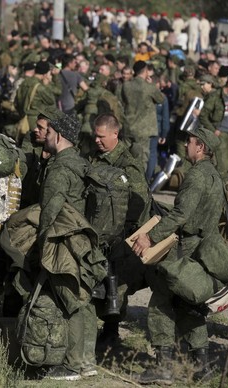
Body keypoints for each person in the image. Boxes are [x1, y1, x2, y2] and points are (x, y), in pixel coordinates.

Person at [131, 126, 224, 385]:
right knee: (189, 306)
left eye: (190, 142)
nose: (186, 145)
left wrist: (150, 236)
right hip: (201, 247)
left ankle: (163, 368)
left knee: (161, 302)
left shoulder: (196, 176)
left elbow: (180, 215)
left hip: (184, 248)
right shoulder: (215, 175)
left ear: (201, 147)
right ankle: (202, 366)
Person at [37, 110, 100, 380]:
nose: (46, 136)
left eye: (48, 132)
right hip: (84, 241)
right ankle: (87, 361)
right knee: (84, 301)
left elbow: (49, 211)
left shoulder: (61, 168)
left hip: (64, 241)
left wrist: (40, 242)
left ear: (59, 135)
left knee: (70, 301)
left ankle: (72, 366)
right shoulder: (80, 161)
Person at [88, 114, 152, 348]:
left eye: (101, 136)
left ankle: (111, 330)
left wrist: (121, 230)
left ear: (115, 134)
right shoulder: (94, 157)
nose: (96, 140)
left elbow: (139, 200)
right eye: (95, 136)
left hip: (119, 234)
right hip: (96, 229)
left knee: (116, 284)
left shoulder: (127, 164)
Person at [120, 60, 165, 168]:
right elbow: (161, 99)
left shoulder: (126, 85)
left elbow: (123, 99)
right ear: (145, 71)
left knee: (125, 156)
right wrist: (152, 85)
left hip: (128, 126)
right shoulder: (149, 87)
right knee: (141, 160)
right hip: (143, 129)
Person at [199, 72, 228, 181]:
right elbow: (203, 115)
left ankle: (221, 192)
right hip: (219, 135)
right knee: (220, 166)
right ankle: (216, 193)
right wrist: (213, 130)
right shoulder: (215, 96)